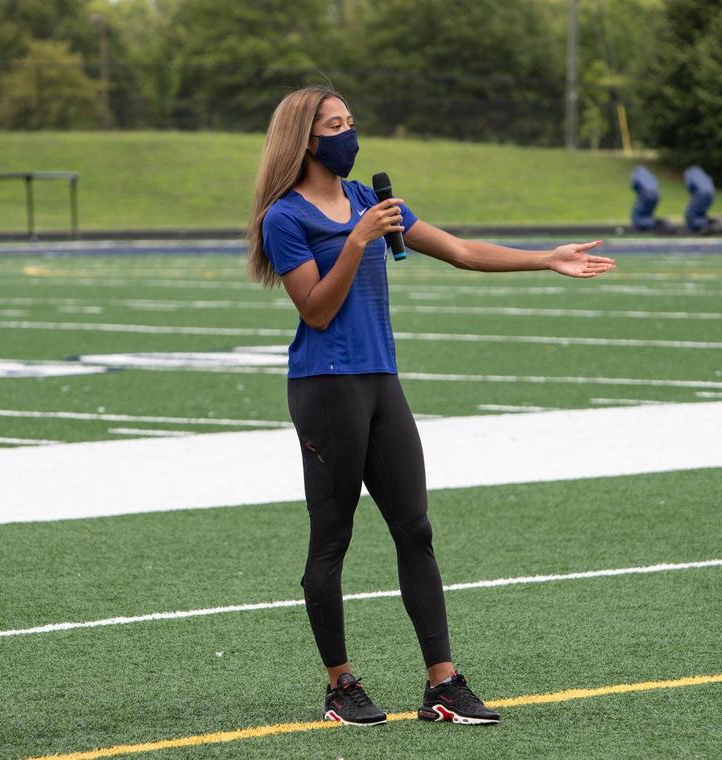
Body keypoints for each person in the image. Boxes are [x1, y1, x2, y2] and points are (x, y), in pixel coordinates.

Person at [245, 86, 616, 727]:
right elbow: (316, 308)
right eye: (336, 126)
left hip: (381, 383)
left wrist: (544, 259)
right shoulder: (285, 218)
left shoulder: (369, 199)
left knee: (415, 528)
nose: (349, 136)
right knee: (332, 538)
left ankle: (443, 683)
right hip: (326, 386)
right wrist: (358, 240)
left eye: (351, 123)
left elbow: (461, 250)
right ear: (304, 139)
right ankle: (341, 686)